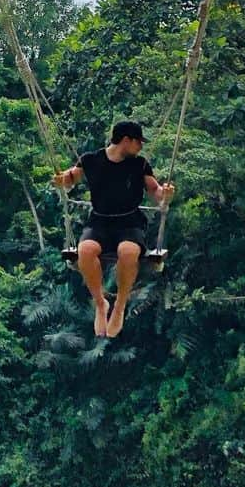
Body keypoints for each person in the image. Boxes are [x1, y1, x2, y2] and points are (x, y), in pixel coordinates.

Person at [53, 121, 175, 338]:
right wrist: (62, 180)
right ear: (126, 140)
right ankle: (101, 304)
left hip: (130, 222)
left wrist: (164, 195)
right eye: (138, 142)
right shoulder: (91, 160)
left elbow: (154, 190)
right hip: (99, 221)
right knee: (85, 251)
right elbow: (71, 177)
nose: (140, 147)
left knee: (128, 252)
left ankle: (119, 305)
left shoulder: (139, 165)